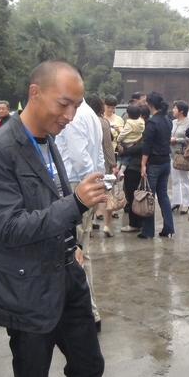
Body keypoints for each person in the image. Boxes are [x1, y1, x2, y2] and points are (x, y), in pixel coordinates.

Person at [0, 60, 107, 377]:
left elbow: (50, 201)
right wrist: (76, 203)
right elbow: (8, 228)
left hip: (67, 277)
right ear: (35, 93)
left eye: (76, 106)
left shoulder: (48, 140)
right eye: (63, 104)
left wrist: (74, 245)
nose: (70, 115)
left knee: (88, 367)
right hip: (28, 287)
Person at [55, 97, 105, 332]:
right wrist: (99, 182)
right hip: (86, 185)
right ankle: (90, 312)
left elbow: (79, 157)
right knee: (82, 251)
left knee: (75, 253)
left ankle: (86, 313)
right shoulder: (91, 114)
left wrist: (88, 188)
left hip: (77, 187)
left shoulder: (74, 116)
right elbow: (99, 155)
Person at [139, 91, 175, 239]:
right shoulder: (168, 121)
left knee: (149, 197)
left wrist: (143, 164)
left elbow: (147, 145)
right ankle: (168, 227)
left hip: (154, 163)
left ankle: (148, 231)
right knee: (163, 195)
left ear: (150, 105)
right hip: (166, 161)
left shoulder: (152, 123)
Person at [85, 94, 118, 237]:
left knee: (90, 195)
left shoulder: (82, 120)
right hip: (104, 165)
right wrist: (113, 164)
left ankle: (90, 225)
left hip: (87, 165)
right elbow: (108, 146)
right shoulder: (103, 123)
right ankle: (107, 225)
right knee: (107, 194)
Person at [170, 100, 189, 215]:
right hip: (173, 154)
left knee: (185, 180)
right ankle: (176, 201)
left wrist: (177, 140)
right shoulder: (173, 122)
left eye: (175, 108)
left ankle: (186, 204)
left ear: (181, 110)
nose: (173, 110)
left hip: (184, 155)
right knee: (175, 179)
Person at [116, 103, 145, 176]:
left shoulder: (129, 123)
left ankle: (118, 167)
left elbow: (124, 133)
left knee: (120, 154)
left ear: (128, 115)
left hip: (126, 142)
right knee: (127, 157)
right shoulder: (141, 122)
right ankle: (122, 171)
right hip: (134, 142)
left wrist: (118, 140)